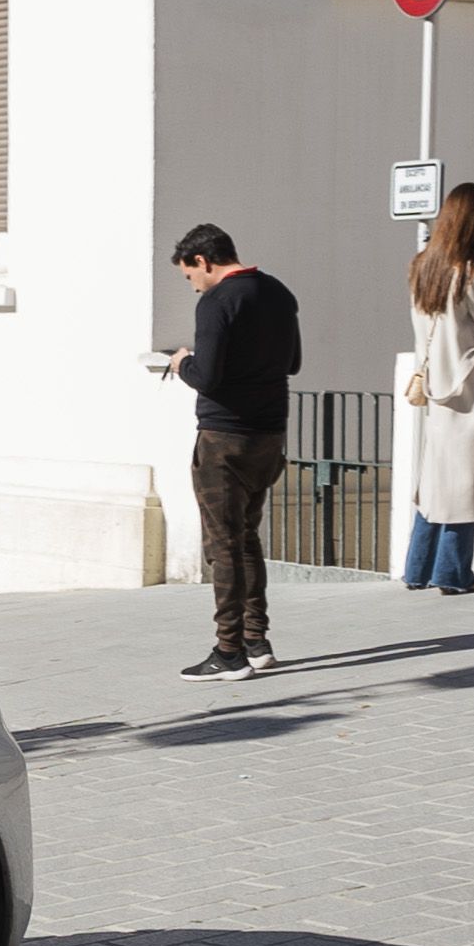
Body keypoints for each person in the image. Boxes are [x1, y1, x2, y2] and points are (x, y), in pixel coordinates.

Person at [169, 223, 302, 680]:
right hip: (270, 434)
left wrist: (181, 361)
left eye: (190, 276)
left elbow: (206, 375)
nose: (193, 285)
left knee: (223, 545)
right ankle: (256, 640)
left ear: (203, 261)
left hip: (224, 437)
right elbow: (293, 363)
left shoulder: (217, 301)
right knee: (246, 537)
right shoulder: (279, 293)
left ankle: (229, 653)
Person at [403, 182, 474, 595]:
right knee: (466, 481)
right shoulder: (472, 270)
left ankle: (417, 569)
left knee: (436, 478)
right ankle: (453, 574)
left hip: (437, 386)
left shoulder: (422, 266)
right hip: (470, 385)